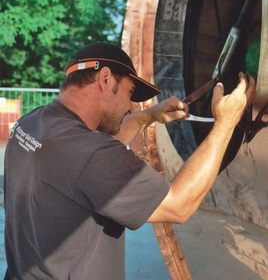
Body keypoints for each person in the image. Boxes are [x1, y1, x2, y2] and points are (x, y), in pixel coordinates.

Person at [4, 42, 255, 280]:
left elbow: (88, 169)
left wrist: (147, 117)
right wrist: (225, 123)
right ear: (105, 79)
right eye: (130, 93)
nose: (130, 107)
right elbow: (179, 205)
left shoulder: (32, 123)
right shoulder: (90, 154)